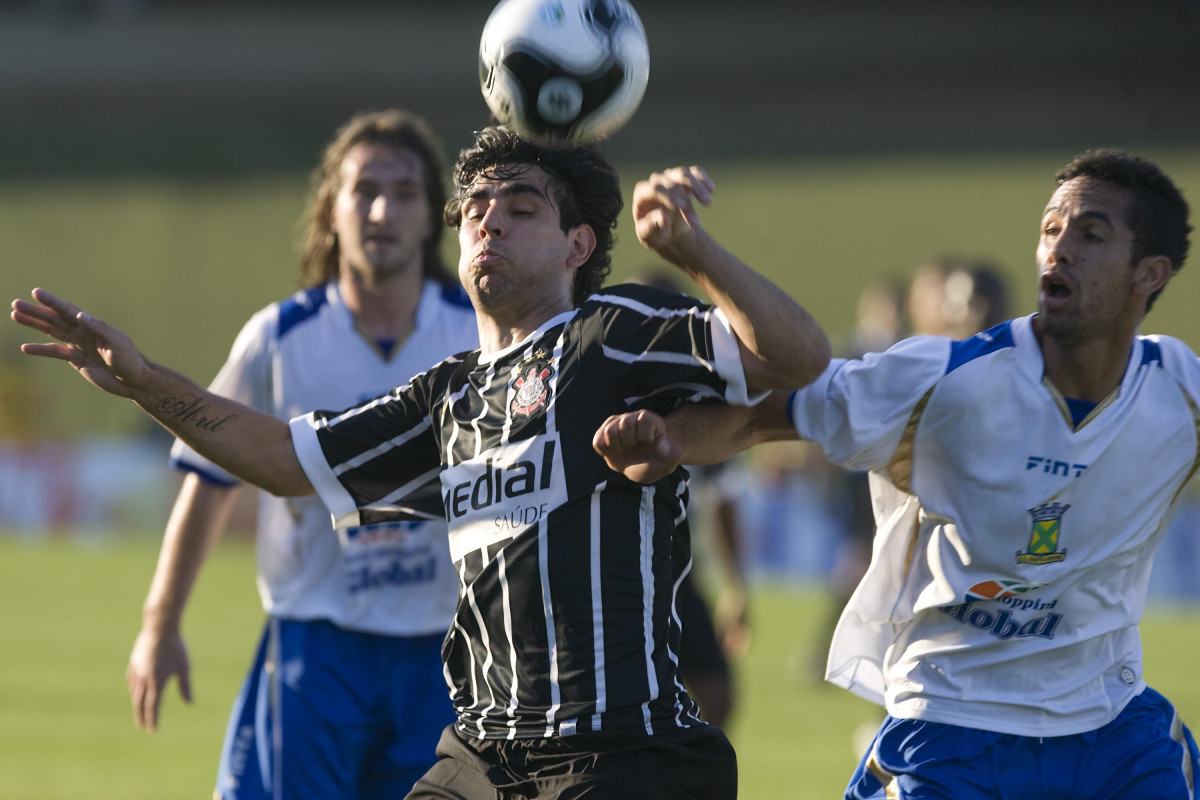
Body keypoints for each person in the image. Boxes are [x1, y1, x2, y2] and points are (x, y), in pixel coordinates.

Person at [12, 126, 831, 799]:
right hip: (481, 760)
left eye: (521, 208)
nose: (490, 221)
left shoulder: (609, 334)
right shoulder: (446, 400)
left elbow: (799, 358)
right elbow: (278, 458)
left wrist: (694, 253)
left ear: (579, 244)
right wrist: (144, 383)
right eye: (476, 208)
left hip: (615, 756)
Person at [593, 148, 1200, 799]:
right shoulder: (947, 380)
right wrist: (670, 438)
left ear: (1150, 272)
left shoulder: (1180, 391)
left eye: (1090, 234)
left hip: (1108, 729)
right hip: (949, 725)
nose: (1058, 248)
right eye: (1050, 228)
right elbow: (759, 418)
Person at [124, 109, 479, 800]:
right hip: (316, 652)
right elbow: (207, 478)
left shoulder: (478, 333)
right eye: (363, 189)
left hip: (450, 656)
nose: (382, 209)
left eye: (405, 192)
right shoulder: (279, 338)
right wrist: (158, 625)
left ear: (439, 214)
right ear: (331, 209)